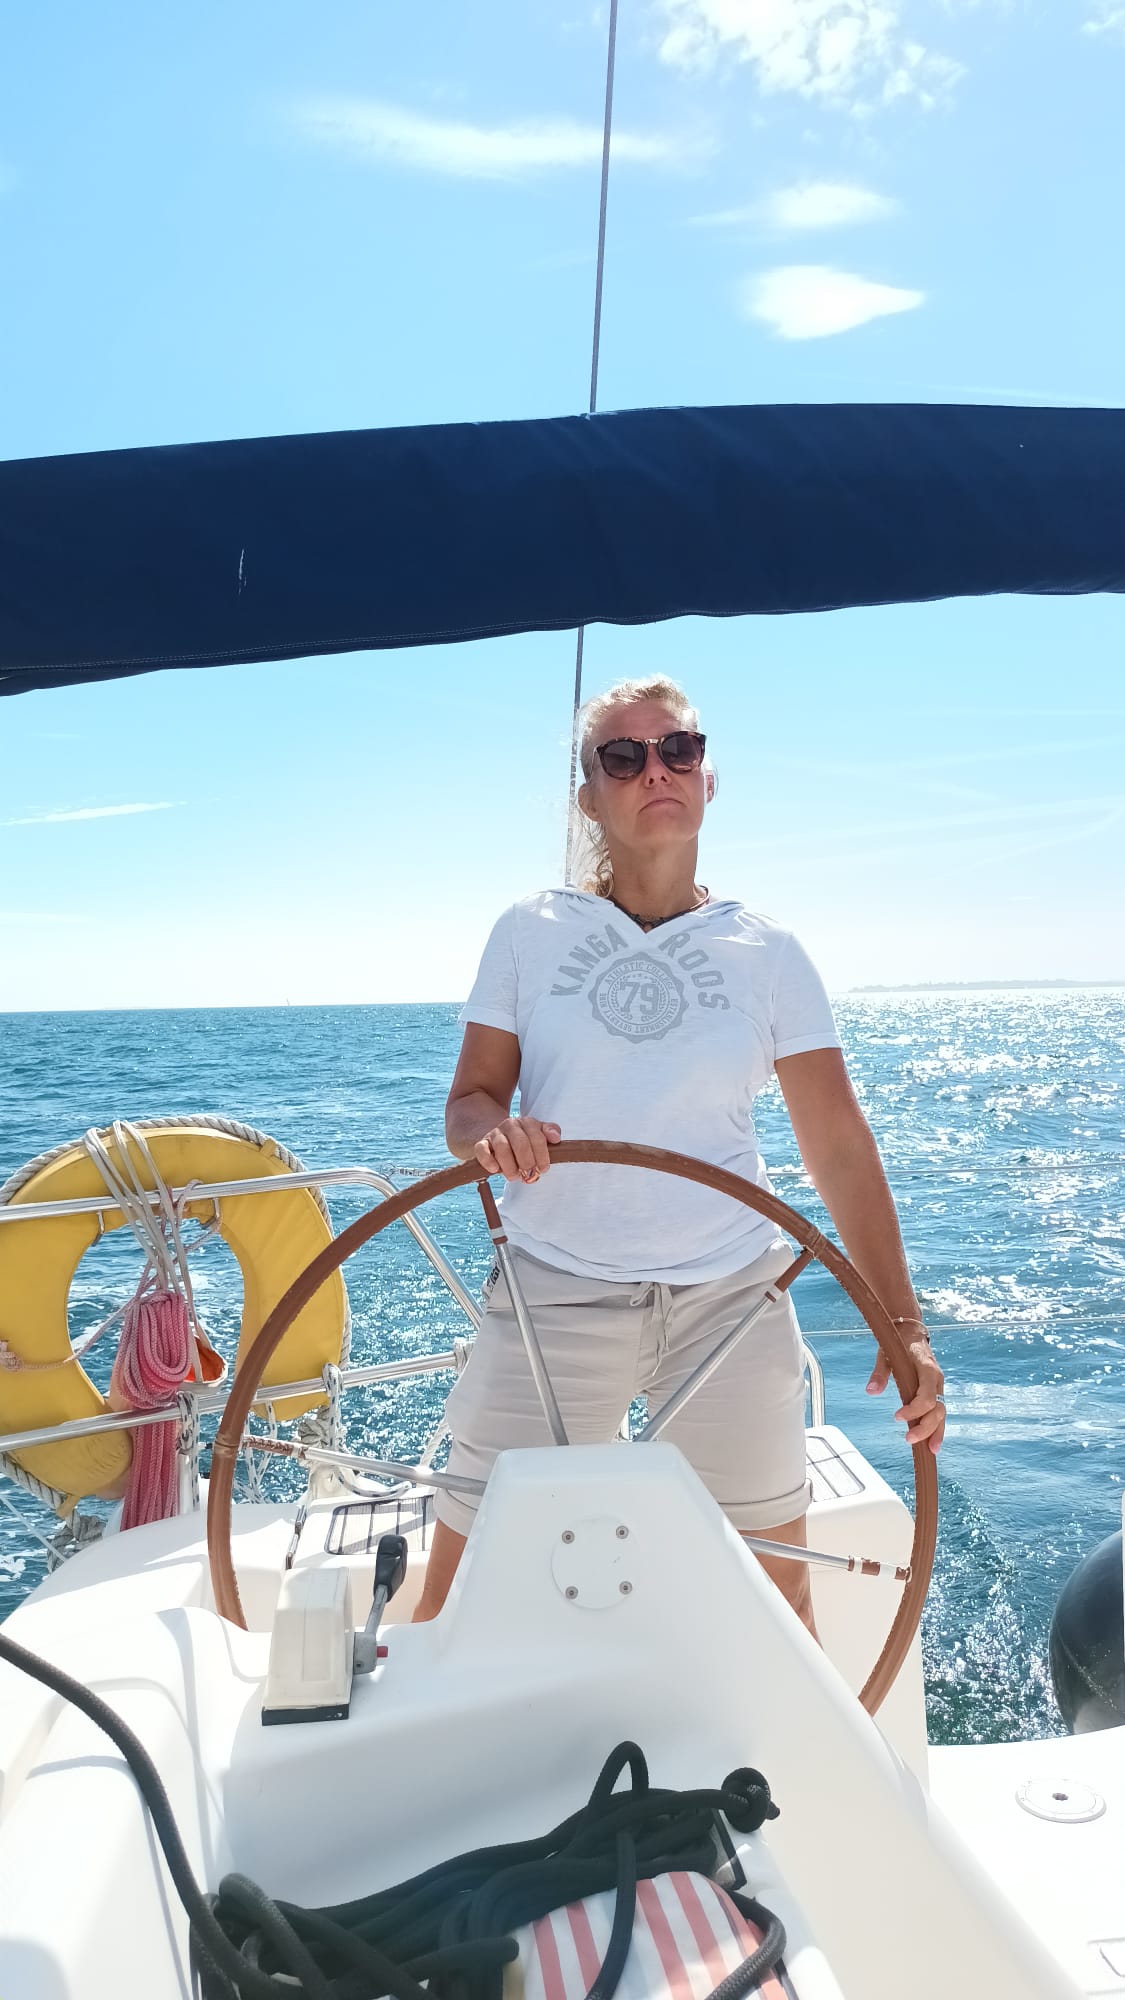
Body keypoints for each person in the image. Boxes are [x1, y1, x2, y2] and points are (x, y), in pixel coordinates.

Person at [414, 675, 944, 1631]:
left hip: (729, 1298)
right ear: (589, 798)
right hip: (554, 1288)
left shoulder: (769, 952)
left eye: (678, 750)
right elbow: (469, 1102)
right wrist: (492, 1133)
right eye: (622, 757)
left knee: (778, 1597)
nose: (654, 769)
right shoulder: (527, 932)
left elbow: (835, 1141)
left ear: (706, 779)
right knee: (456, 1588)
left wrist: (902, 1324)